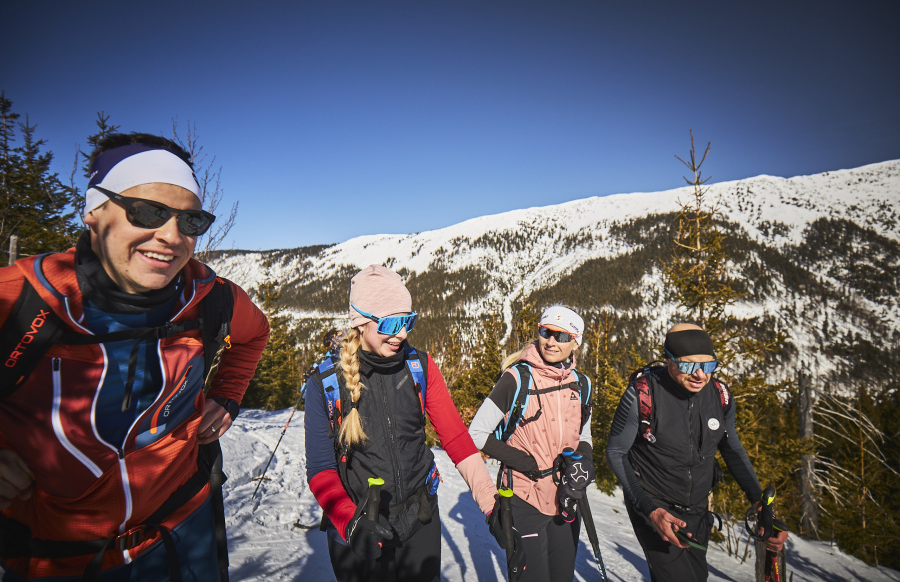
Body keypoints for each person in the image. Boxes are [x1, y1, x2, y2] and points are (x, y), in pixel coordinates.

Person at [0, 133, 270, 581]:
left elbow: (254, 334)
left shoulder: (210, 298)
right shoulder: (21, 300)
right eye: (148, 212)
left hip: (184, 537)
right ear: (94, 211)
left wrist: (228, 395)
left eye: (190, 221)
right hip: (55, 557)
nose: (170, 236)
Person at [304, 265, 496, 582]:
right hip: (362, 526)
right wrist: (349, 521)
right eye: (393, 323)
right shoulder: (326, 383)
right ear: (361, 322)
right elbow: (321, 468)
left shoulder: (420, 367)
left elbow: (457, 439)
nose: (403, 334)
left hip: (420, 518)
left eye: (408, 321)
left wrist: (491, 503)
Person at [606, 323, 789, 582]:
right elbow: (615, 452)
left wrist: (758, 503)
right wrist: (650, 510)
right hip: (655, 506)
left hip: (698, 511)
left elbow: (732, 449)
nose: (700, 375)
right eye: (689, 365)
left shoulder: (720, 396)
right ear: (669, 360)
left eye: (708, 365)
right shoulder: (642, 395)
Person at [468, 305, 594, 582]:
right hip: (523, 497)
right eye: (546, 332)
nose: (551, 341)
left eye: (561, 336)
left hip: (566, 496)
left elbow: (583, 434)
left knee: (561, 576)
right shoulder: (516, 379)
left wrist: (584, 459)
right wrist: (526, 463)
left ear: (576, 342)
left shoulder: (581, 384)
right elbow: (476, 433)